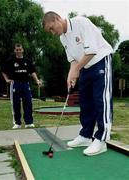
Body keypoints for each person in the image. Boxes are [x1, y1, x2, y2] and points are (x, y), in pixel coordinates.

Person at [42, 11, 113, 156]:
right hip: (85, 65)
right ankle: (86, 136)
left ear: (57, 19)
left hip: (100, 61)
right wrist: (71, 75)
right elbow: (73, 61)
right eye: (49, 31)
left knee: (101, 100)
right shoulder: (63, 38)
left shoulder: (81, 22)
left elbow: (92, 51)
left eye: (51, 28)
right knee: (85, 101)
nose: (52, 33)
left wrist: (77, 69)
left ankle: (101, 139)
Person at [2, 43, 42, 129]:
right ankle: (17, 123)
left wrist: (37, 80)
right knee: (15, 104)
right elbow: (4, 71)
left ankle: (29, 122)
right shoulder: (11, 61)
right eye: (17, 50)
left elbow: (32, 72)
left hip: (25, 84)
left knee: (28, 103)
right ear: (15, 51)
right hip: (15, 84)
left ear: (22, 50)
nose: (19, 51)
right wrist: (7, 80)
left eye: (20, 50)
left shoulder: (27, 60)